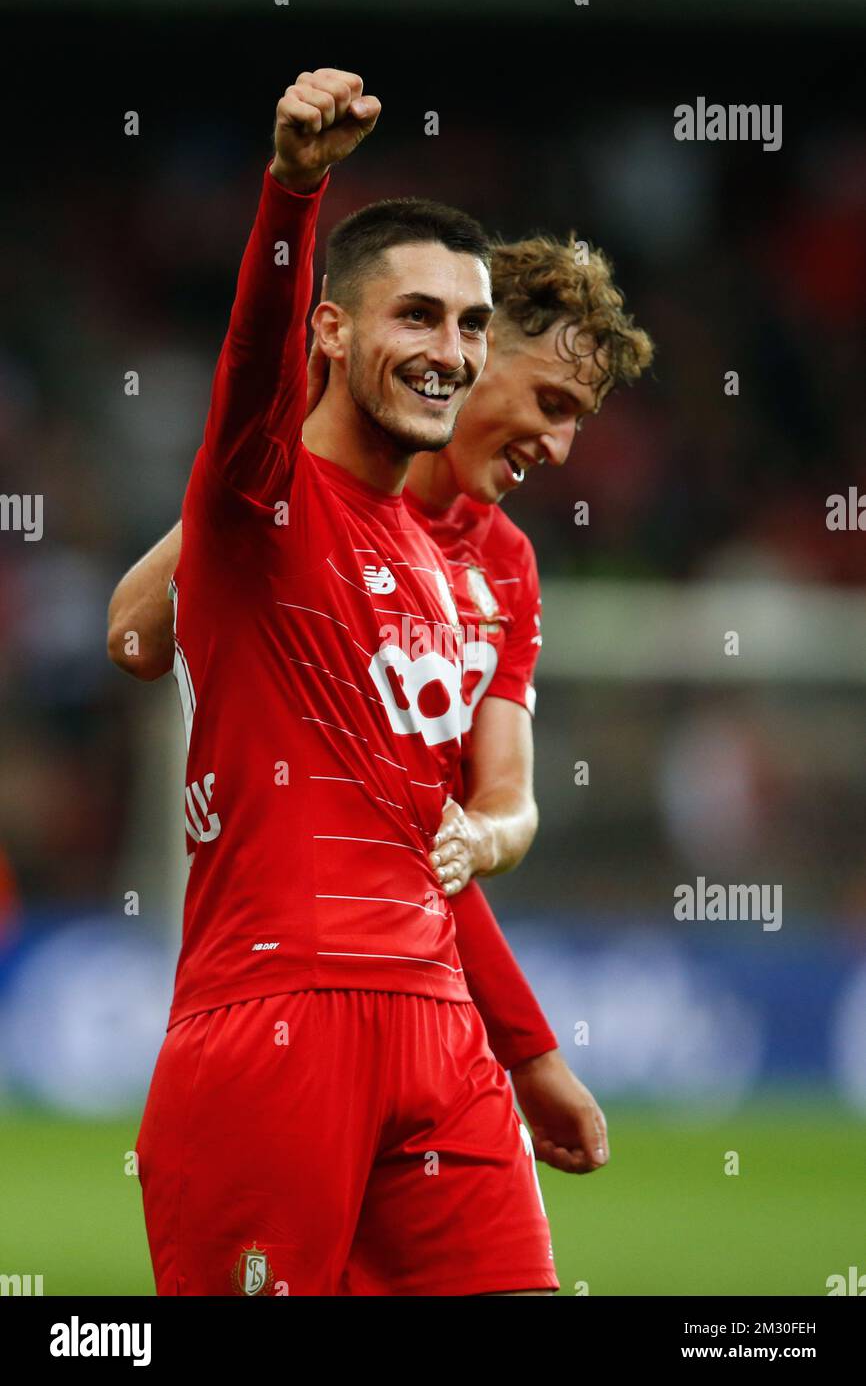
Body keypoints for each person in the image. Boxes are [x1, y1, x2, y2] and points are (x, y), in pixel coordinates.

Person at [128, 66, 566, 1297]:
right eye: (415, 317)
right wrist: (294, 193)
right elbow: (251, 359)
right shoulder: (257, 501)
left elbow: (422, 829)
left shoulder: (438, 565)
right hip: (277, 1015)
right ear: (332, 329)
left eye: (471, 326)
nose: (449, 352)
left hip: (439, 1032)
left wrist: (520, 1046)